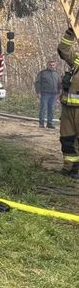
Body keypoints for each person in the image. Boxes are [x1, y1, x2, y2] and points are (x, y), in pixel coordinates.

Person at [58, 28, 79, 177]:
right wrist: (70, 33)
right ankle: (69, 168)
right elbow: (63, 50)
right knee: (67, 140)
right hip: (68, 109)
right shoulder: (77, 60)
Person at [34, 60, 59, 129]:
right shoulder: (42, 73)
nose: (52, 66)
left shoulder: (56, 74)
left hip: (54, 94)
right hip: (45, 94)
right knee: (43, 108)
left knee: (51, 109)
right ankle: (41, 123)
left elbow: (59, 84)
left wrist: (59, 93)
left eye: (53, 65)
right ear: (47, 65)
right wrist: (38, 92)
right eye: (50, 65)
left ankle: (50, 123)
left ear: (55, 66)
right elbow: (37, 82)